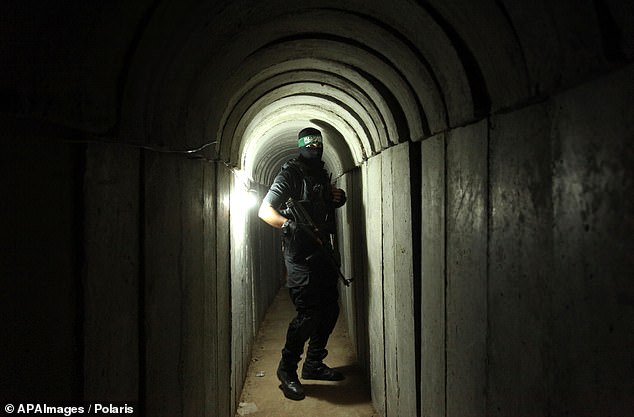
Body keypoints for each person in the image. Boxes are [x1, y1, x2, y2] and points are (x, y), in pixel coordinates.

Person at [258, 127, 347, 401]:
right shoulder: (290, 174)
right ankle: (287, 371)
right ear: (301, 146)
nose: (314, 148)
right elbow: (264, 211)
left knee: (330, 309)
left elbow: (323, 204)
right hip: (299, 257)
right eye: (309, 145)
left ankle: (314, 364)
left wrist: (337, 197)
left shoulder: (319, 173)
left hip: (321, 251)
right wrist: (289, 224)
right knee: (308, 314)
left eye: (317, 145)